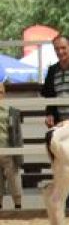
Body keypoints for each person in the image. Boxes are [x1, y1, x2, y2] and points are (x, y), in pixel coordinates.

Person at [0, 73, 23, 211]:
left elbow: (18, 134)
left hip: (9, 150)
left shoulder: (11, 111)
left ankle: (18, 206)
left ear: (4, 94)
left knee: (14, 178)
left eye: (1, 92)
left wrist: (19, 154)